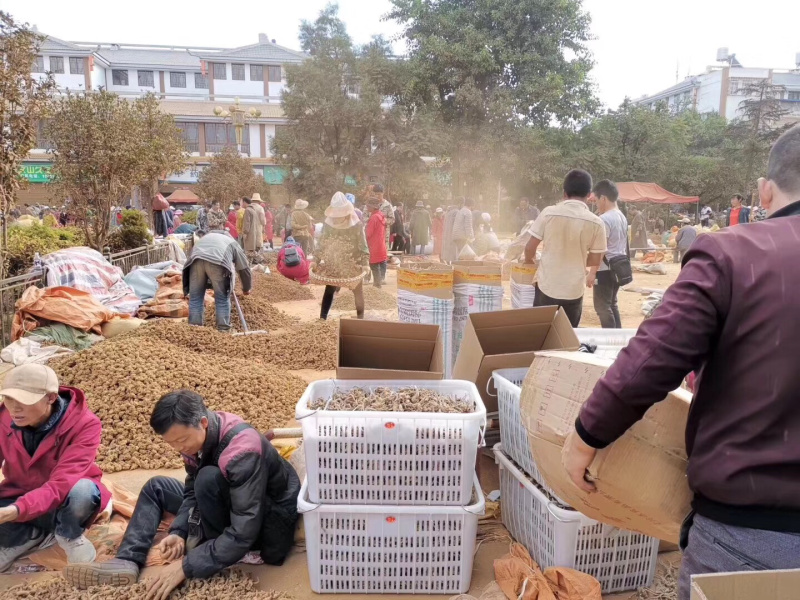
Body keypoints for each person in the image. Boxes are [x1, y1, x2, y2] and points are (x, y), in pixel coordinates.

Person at [561, 125, 800, 600]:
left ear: (764, 190)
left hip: (750, 536)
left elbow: (653, 357)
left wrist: (585, 435)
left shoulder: (734, 254)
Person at [64, 390, 300, 595]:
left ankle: (210, 544)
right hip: (231, 499)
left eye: (183, 440)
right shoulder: (197, 439)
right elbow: (191, 492)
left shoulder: (241, 452)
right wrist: (179, 530)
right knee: (158, 486)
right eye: (172, 443)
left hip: (269, 523)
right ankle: (127, 560)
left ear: (204, 423)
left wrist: (186, 565)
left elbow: (243, 531)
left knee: (207, 479)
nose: (180, 448)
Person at [0, 364, 111, 570]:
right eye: (8, 398)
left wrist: (14, 511)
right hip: (20, 494)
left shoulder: (85, 425)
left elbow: (61, 485)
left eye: (23, 401)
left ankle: (68, 534)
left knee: (83, 492)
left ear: (50, 398)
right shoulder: (4, 417)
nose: (14, 408)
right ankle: (28, 535)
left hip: (63, 501)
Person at [523, 169, 606, 327]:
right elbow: (596, 258)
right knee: (568, 336)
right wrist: (576, 257)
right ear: (589, 195)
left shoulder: (549, 213)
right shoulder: (596, 222)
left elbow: (529, 248)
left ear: (564, 193)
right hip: (573, 290)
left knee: (540, 333)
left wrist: (529, 262)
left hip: (546, 286)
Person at [183, 212, 252, 332]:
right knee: (222, 297)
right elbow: (244, 268)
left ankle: (194, 331)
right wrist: (246, 288)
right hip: (217, 263)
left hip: (195, 263)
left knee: (195, 298)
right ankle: (223, 330)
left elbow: (192, 256)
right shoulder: (232, 242)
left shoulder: (204, 239)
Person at [319, 192, 368, 320]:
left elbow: (363, 246)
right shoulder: (328, 225)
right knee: (330, 289)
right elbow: (321, 243)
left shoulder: (356, 225)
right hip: (334, 262)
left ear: (346, 213)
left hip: (353, 262)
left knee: (358, 291)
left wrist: (365, 263)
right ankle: (322, 318)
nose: (336, 218)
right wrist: (315, 259)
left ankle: (360, 318)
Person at [591, 180, 628, 329]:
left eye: (596, 200)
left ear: (603, 198)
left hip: (605, 269)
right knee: (612, 304)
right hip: (618, 267)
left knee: (602, 307)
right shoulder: (621, 216)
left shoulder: (604, 219)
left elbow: (601, 249)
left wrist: (592, 273)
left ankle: (610, 338)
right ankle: (618, 337)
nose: (596, 204)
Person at [365, 197, 388, 288]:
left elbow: (368, 234)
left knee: (374, 266)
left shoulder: (374, 218)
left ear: (373, 207)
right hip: (380, 245)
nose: (367, 207)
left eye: (368, 206)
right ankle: (378, 284)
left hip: (373, 245)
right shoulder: (381, 215)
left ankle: (377, 286)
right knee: (378, 264)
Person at [373, 184, 395, 250]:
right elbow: (364, 217)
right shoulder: (370, 204)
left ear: (383, 193)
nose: (377, 196)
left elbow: (392, 219)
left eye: (379, 194)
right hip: (372, 233)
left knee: (383, 252)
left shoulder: (388, 205)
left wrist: (383, 221)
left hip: (384, 234)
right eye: (375, 194)